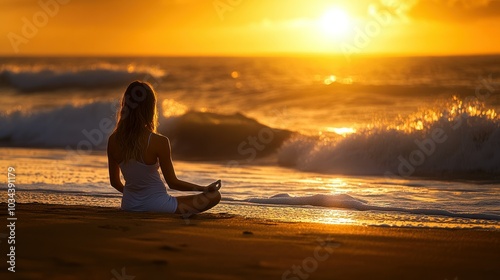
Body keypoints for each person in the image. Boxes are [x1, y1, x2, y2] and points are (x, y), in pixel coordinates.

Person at [107, 81, 221, 216]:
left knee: (176, 200)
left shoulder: (113, 140)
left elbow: (114, 182)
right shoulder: (159, 141)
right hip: (159, 205)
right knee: (215, 195)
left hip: (129, 205)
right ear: (150, 108)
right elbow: (173, 183)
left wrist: (135, 196)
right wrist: (204, 188)